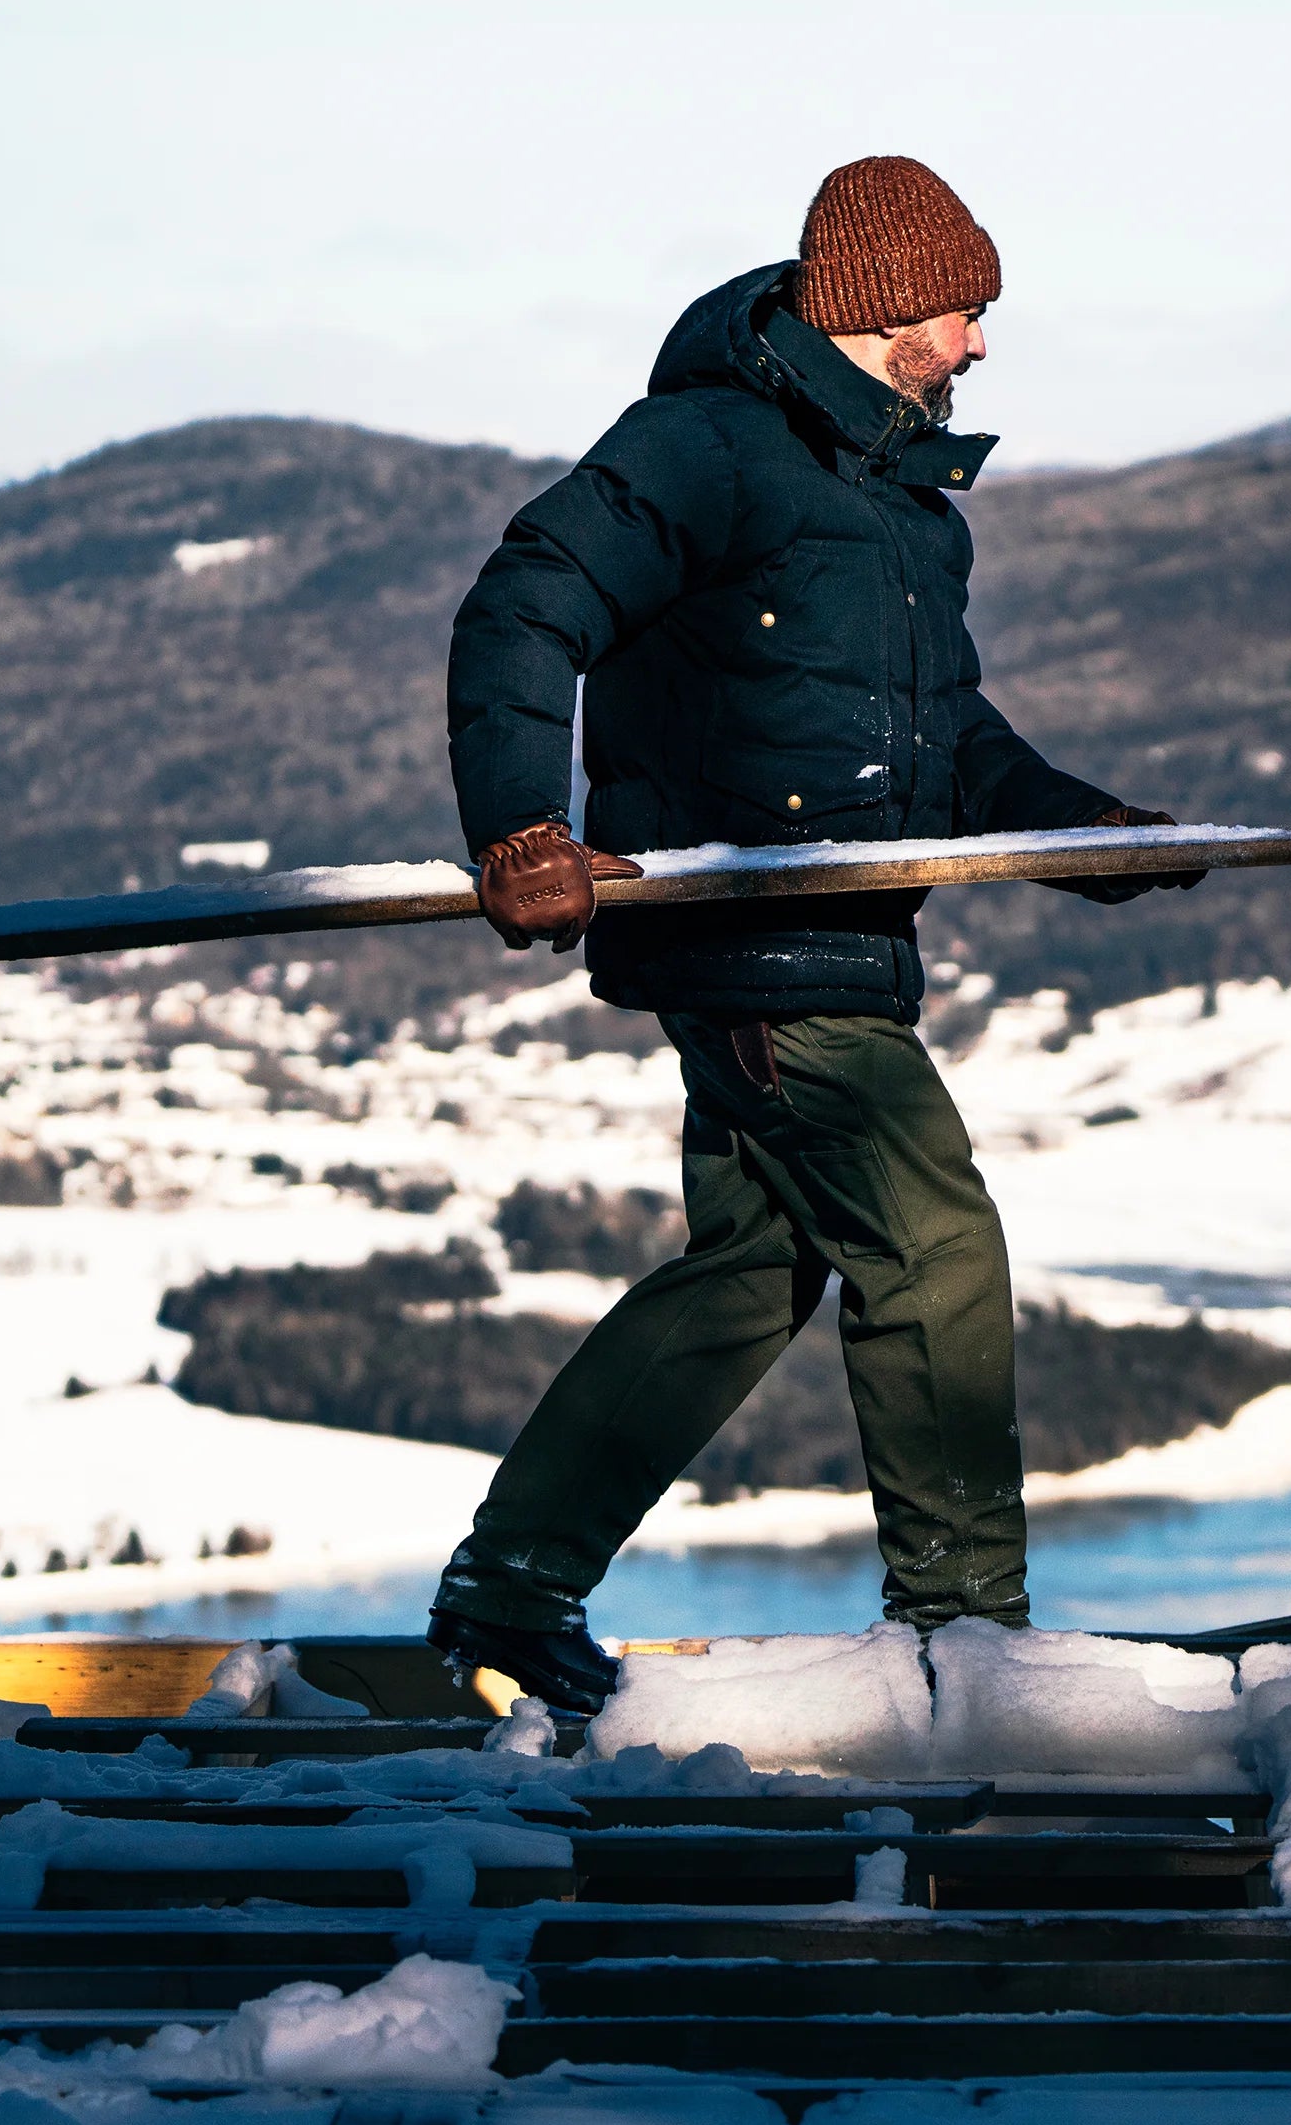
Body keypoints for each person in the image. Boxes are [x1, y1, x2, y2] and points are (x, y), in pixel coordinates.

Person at [427, 155, 1200, 1713]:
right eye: (965, 310)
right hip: (754, 937)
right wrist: (518, 825)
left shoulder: (906, 507)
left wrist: (1082, 832)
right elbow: (526, 607)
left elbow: (951, 741)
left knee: (747, 1270)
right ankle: (964, 1640)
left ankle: (512, 1591)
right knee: (934, 1245)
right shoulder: (707, 448)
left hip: (839, 937)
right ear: (879, 304)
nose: (981, 343)